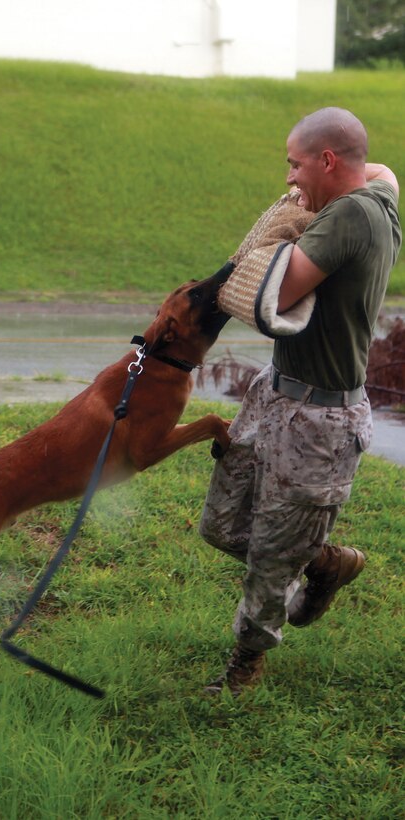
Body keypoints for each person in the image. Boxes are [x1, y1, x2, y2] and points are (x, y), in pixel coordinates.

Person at [199, 107, 402, 696]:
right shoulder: (379, 195)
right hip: (273, 396)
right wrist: (306, 204)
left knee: (268, 559)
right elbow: (384, 168)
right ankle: (324, 561)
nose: (288, 180)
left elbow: (276, 298)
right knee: (221, 525)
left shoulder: (352, 218)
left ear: (328, 161)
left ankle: (244, 666)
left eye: (295, 164)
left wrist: (281, 231)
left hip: (321, 420)